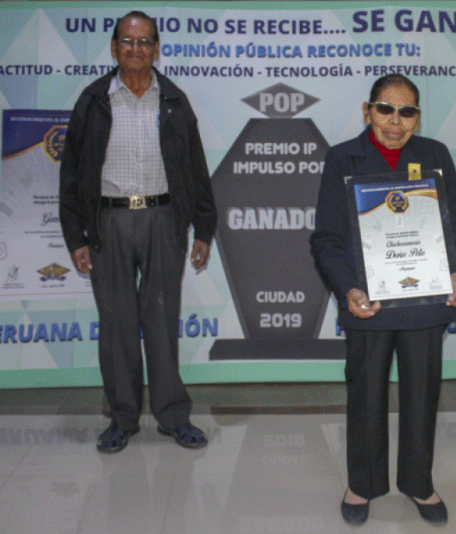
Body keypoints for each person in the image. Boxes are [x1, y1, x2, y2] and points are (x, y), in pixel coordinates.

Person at [310, 74, 456, 526]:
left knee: (423, 395)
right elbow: (326, 239)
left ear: (417, 118)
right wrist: (349, 289)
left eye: (407, 112)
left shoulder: (435, 155)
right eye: (385, 109)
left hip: (425, 302)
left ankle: (419, 483)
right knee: (365, 395)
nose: (395, 122)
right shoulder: (342, 158)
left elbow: (455, 224)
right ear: (369, 112)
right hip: (369, 304)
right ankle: (362, 484)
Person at [59, 11, 216, 453]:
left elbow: (195, 168)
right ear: (114, 48)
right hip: (108, 222)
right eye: (127, 42)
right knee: (117, 325)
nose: (135, 49)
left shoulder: (174, 100)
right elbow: (71, 174)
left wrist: (204, 228)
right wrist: (75, 237)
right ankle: (122, 417)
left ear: (156, 49)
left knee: (162, 321)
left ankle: (173, 415)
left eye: (144, 42)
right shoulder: (93, 101)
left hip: (163, 219)